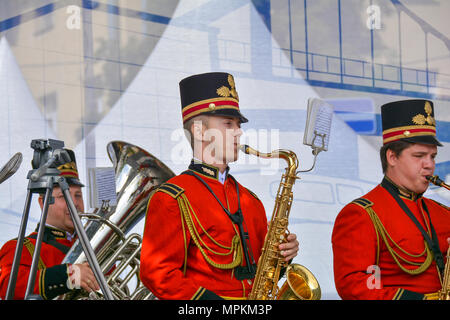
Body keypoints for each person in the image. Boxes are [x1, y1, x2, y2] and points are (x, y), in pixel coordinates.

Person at [140, 72, 299, 300]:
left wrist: (283, 256)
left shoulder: (251, 201)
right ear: (199, 130)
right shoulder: (172, 197)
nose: (239, 131)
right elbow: (157, 273)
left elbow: (263, 275)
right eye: (228, 123)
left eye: (238, 124)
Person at [332, 99, 450, 300]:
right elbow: (354, 287)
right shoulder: (361, 214)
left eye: (432, 156)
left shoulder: (444, 213)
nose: (429, 165)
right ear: (392, 157)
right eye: (419, 155)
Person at [0, 149, 99, 300]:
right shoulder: (18, 247)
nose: (74, 203)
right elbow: (9, 286)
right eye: (63, 196)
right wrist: (70, 275)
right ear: (43, 202)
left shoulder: (97, 246)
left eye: (78, 195)